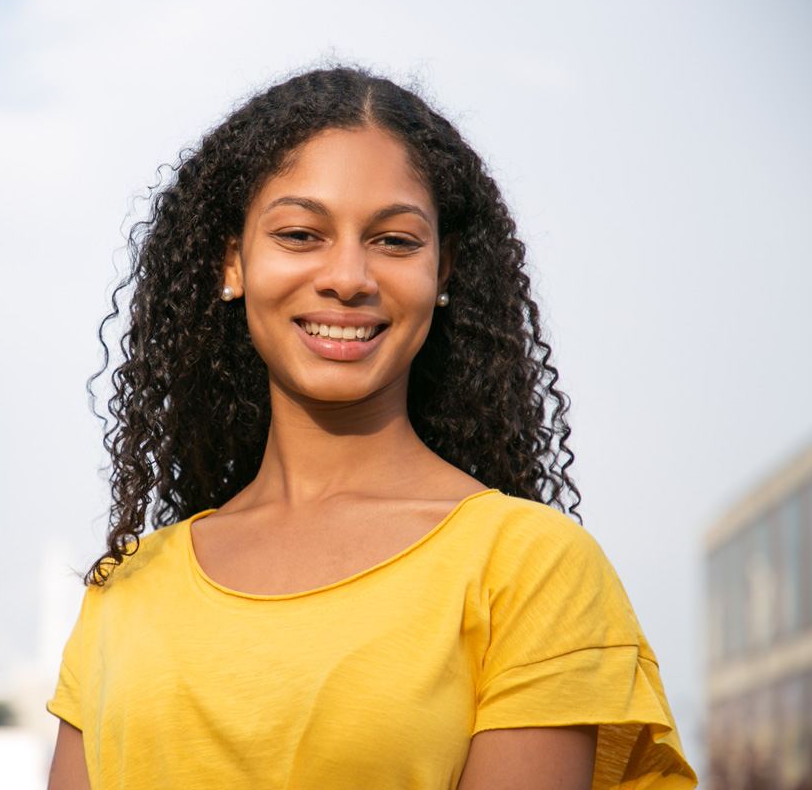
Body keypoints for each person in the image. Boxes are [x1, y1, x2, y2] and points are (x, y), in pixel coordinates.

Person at [46, 67, 697, 790]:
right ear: (232, 262)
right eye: (300, 234)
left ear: (443, 271)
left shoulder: (529, 570)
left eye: (393, 241)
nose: (349, 276)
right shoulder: (126, 592)